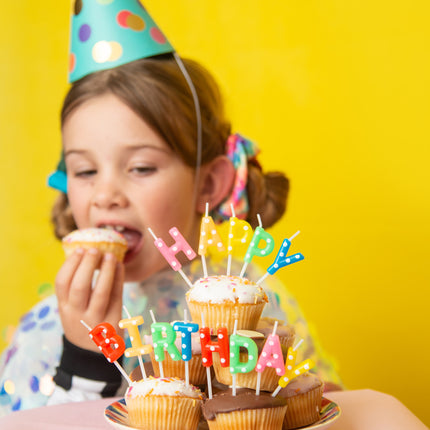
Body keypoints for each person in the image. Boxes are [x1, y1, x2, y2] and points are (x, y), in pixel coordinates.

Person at [0, 1, 342, 416]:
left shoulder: (252, 302)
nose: (105, 194)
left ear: (208, 184)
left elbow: (316, 406)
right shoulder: (50, 326)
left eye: (141, 167)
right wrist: (84, 356)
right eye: (85, 170)